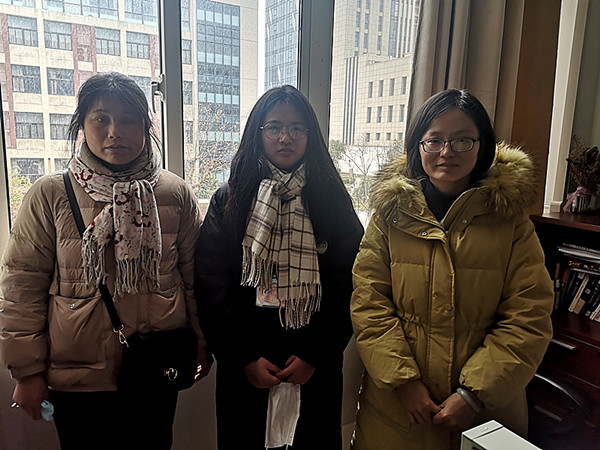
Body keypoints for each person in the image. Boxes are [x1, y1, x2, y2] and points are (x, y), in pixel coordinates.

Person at [0, 72, 211, 449]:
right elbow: (21, 287)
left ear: (145, 127)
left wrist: (201, 344)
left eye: (128, 120)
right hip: (78, 378)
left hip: (155, 364)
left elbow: (195, 279)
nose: (115, 132)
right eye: (101, 119)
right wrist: (27, 372)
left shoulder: (174, 193)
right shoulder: (51, 194)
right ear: (82, 125)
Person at [350, 89, 554, 450]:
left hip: (484, 412)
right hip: (397, 411)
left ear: (481, 145)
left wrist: (473, 394)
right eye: (435, 141)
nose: (447, 152)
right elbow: (369, 304)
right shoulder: (390, 216)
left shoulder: (510, 222)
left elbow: (529, 316)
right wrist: (404, 382)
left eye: (462, 140)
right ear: (418, 146)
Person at [195, 85, 363, 449]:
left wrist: (315, 355)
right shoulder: (231, 197)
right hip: (248, 363)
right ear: (258, 133)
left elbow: (349, 284)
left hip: (312, 363)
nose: (285, 137)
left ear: (310, 135)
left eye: (296, 128)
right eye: (274, 127)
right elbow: (211, 284)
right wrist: (243, 358)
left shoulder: (332, 199)